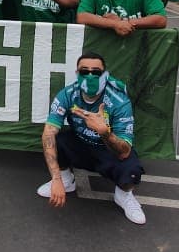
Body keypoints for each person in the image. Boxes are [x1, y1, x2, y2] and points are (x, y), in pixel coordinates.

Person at [37, 52, 147, 225]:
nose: (90, 76)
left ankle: (124, 196)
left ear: (105, 75)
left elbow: (124, 151)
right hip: (81, 145)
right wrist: (56, 178)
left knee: (132, 169)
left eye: (96, 72)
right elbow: (48, 133)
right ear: (77, 74)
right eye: (84, 71)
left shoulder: (119, 101)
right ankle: (66, 180)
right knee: (54, 140)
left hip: (108, 150)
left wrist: (104, 132)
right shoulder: (67, 94)